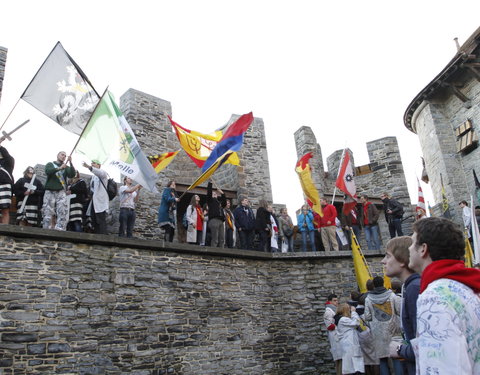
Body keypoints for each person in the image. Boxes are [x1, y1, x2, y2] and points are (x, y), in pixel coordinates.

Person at [408, 217, 480, 374]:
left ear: (423, 249)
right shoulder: (467, 288)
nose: (409, 248)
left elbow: (443, 367)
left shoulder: (434, 297)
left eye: (413, 243)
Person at [382, 236, 420, 375]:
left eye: (388, 256)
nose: (383, 261)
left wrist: (399, 349)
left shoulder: (414, 288)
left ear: (402, 260)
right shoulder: (409, 287)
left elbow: (425, 345)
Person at [364, 276, 401, 375]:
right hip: (392, 330)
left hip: (378, 333)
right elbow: (399, 310)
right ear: (383, 283)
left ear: (374, 285)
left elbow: (367, 316)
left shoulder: (368, 299)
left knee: (382, 359)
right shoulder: (392, 296)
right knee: (396, 356)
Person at [43, 151, 76, 230]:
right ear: (57, 155)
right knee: (47, 211)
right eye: (62, 155)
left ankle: (60, 229)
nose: (63, 156)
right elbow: (48, 171)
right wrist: (59, 168)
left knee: (62, 211)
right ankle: (46, 229)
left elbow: (72, 174)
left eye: (65, 156)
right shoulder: (50, 164)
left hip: (61, 191)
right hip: (50, 191)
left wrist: (71, 162)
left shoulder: (66, 167)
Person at [336, 303, 365, 375]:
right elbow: (356, 323)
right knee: (351, 365)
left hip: (350, 344)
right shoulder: (343, 319)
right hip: (349, 344)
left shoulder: (342, 319)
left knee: (354, 364)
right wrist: (354, 312)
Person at [83, 160, 109, 235]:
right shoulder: (93, 177)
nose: (92, 164)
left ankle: (103, 236)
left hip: (100, 200)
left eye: (94, 163)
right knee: (93, 219)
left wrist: (88, 167)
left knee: (100, 219)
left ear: (99, 165)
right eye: (92, 163)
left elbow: (98, 172)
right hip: (94, 201)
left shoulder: (103, 173)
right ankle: (97, 234)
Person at [324, 294, 342, 375]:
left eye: (337, 300)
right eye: (334, 300)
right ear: (330, 301)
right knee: (339, 359)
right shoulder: (328, 312)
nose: (337, 302)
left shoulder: (335, 310)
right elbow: (329, 326)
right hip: (335, 336)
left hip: (339, 336)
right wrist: (340, 324)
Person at [207, 182, 225, 248]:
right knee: (215, 239)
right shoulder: (210, 201)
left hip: (220, 220)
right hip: (214, 220)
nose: (214, 194)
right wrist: (210, 184)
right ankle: (213, 252)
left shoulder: (219, 203)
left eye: (215, 193)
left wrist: (222, 194)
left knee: (222, 239)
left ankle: (222, 252)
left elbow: (224, 203)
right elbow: (209, 192)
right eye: (213, 194)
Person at [0, 143, 14, 224]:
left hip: (5, 185)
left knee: (5, 209)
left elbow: (7, 156)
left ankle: (4, 231)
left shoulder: (9, 160)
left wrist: (1, 147)